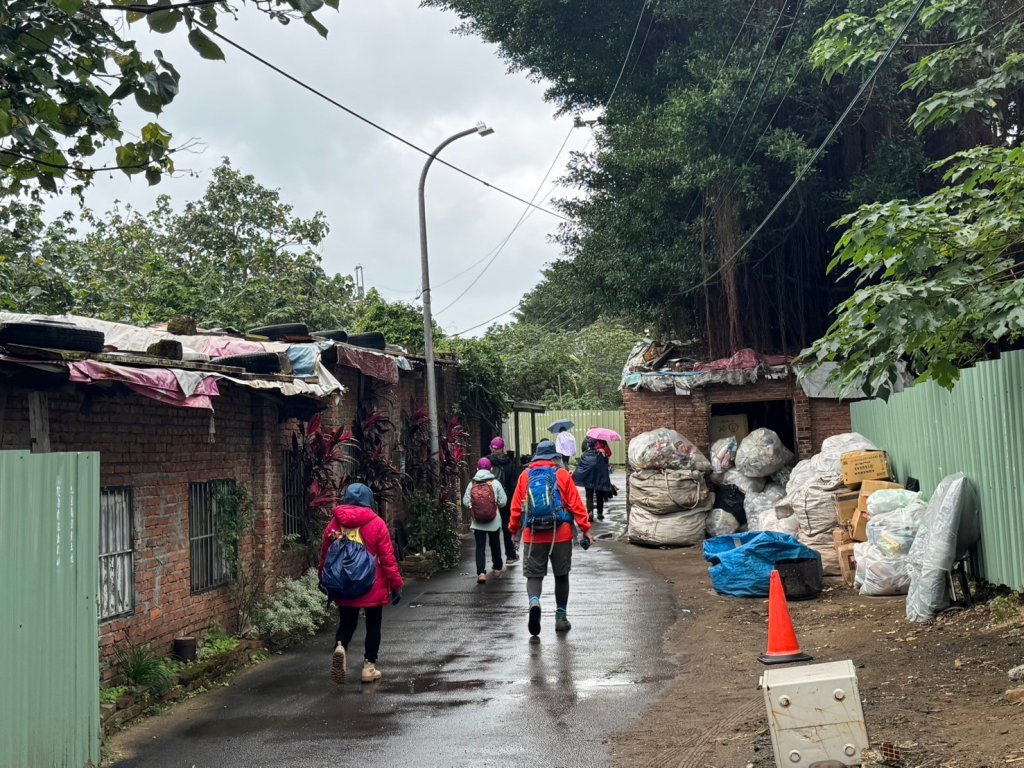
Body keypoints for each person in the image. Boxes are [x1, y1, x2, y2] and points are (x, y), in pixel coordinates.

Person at [319, 483, 403, 685]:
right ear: (368, 499)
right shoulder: (376, 523)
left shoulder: (335, 523)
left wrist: (323, 578)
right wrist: (396, 584)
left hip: (343, 584)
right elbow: (388, 558)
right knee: (373, 624)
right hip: (371, 584)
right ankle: (369, 667)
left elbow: (326, 555)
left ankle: (340, 646)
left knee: (347, 623)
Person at [509, 439, 592, 635]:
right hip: (560, 533)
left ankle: (534, 602)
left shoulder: (525, 476)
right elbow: (576, 504)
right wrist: (585, 528)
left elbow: (516, 508)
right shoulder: (561, 474)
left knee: (533, 575)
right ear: (554, 457)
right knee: (561, 576)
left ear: (536, 456)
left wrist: (514, 532)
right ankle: (561, 618)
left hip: (533, 534)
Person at [463, 457, 507, 584]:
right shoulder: (495, 483)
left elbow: (466, 501)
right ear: (491, 469)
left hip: (478, 521)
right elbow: (503, 502)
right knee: (495, 545)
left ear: (477, 469)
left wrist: (474, 508)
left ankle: (481, 573)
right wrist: (495, 505)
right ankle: (497, 569)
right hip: (493, 521)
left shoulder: (472, 483)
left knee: (480, 547)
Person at [486, 437, 520, 564]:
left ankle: (496, 561)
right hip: (506, 499)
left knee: (492, 528)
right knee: (507, 527)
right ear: (503, 449)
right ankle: (510, 555)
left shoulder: (486, 463)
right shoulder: (509, 463)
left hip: (489, 500)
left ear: (490, 447)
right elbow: (513, 484)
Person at [573, 438, 614, 522]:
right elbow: (605, 464)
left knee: (589, 496)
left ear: (588, 445)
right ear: (596, 445)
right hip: (598, 478)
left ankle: (590, 512)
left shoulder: (584, 454)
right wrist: (603, 455)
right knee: (599, 494)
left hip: (588, 478)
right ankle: (600, 512)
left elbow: (581, 466)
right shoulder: (600, 454)